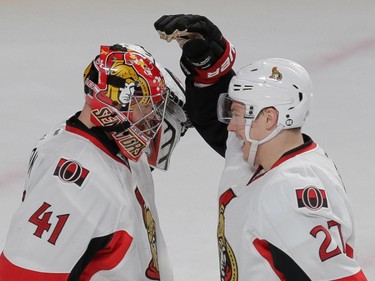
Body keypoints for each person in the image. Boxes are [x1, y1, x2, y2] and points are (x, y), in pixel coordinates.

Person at [154, 14, 368, 280]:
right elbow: (214, 122)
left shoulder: (290, 192)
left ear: (269, 118)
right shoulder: (266, 151)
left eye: (238, 113)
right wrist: (208, 63)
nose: (231, 126)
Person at [0, 43, 187, 280]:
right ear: (115, 102)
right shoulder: (75, 184)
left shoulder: (108, 147)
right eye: (147, 106)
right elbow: (21, 274)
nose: (153, 120)